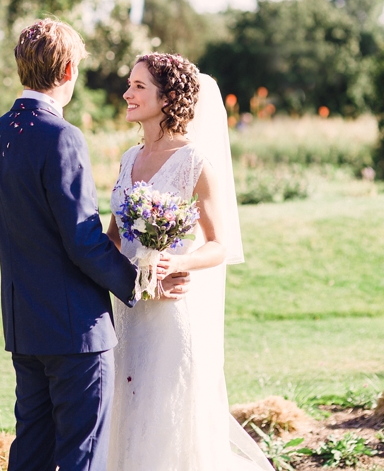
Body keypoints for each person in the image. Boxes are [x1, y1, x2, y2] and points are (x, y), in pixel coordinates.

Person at [0, 19, 186, 471]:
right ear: (69, 69)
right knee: (82, 455)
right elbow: (81, 239)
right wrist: (140, 284)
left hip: (24, 324)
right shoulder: (61, 136)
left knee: (31, 450)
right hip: (76, 332)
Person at [105, 54, 271, 470]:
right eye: (130, 84)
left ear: (168, 97)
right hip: (127, 314)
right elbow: (112, 241)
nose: (127, 93)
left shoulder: (195, 162)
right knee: (126, 417)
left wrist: (176, 265)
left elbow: (219, 245)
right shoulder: (127, 158)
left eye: (139, 86)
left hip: (171, 317)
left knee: (167, 427)